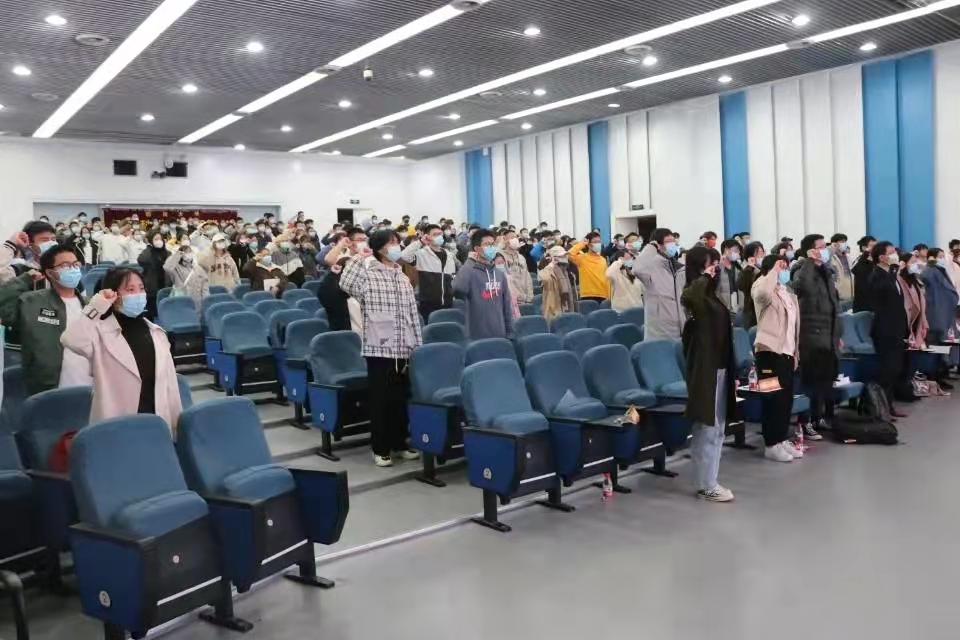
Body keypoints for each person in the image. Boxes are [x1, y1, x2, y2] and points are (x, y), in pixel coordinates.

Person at [60, 268, 182, 432]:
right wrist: (97, 305)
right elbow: (71, 339)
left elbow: (171, 388)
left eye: (141, 288)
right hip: (115, 426)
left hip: (156, 423)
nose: (138, 294)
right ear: (114, 295)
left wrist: (175, 429)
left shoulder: (157, 333)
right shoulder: (100, 331)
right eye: (130, 290)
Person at [339, 230, 421, 467]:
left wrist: (418, 345)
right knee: (380, 401)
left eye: (397, 242)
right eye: (391, 243)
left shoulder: (401, 276)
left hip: (403, 346)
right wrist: (360, 256)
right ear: (379, 247)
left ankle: (399, 443)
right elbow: (345, 282)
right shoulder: (367, 274)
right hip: (379, 348)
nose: (396, 246)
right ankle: (381, 448)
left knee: (400, 400)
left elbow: (412, 314)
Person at [680, 246, 736, 503]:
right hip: (706, 368)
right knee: (707, 427)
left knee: (718, 427)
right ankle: (706, 484)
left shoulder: (710, 294)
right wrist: (704, 277)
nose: (714, 269)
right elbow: (690, 296)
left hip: (721, 366)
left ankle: (709, 479)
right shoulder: (694, 293)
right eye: (708, 264)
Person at [0, 244, 91, 395]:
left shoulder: (91, 304)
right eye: (65, 265)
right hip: (48, 389)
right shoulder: (32, 302)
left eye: (76, 264)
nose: (73, 269)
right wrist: (24, 280)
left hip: (91, 388)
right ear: (50, 272)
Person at [752, 254, 802, 463]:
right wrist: (772, 271)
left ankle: (781, 439)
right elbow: (763, 294)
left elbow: (794, 324)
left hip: (787, 353)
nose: (784, 269)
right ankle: (771, 443)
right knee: (772, 398)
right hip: (768, 353)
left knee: (786, 400)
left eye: (785, 266)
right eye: (780, 266)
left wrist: (796, 351)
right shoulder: (760, 286)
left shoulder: (787, 292)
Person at [791, 234, 840, 440]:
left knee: (824, 380)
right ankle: (805, 422)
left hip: (828, 334)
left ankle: (818, 417)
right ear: (810, 251)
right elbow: (806, 288)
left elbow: (833, 303)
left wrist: (837, 333)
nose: (824, 250)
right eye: (820, 247)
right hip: (811, 334)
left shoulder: (826, 271)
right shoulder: (802, 270)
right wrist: (811, 262)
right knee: (810, 381)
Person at [867, 241, 909, 417]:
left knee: (895, 368)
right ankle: (883, 408)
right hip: (885, 328)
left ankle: (890, 405)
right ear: (882, 257)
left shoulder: (891, 275)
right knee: (887, 368)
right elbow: (881, 297)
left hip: (897, 327)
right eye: (891, 253)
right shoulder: (876, 275)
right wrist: (893, 272)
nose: (895, 256)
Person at [453, 229, 513, 340]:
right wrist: (469, 261)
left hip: (499, 333)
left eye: (492, 244)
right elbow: (458, 288)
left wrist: (509, 331)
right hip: (476, 335)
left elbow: (507, 305)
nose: (491, 247)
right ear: (477, 248)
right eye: (487, 244)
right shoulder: (469, 271)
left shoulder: (499, 274)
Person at [632, 228, 685, 340]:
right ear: (658, 245)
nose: (672, 244)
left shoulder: (673, 264)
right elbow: (637, 269)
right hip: (659, 329)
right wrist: (651, 247)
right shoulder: (650, 265)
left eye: (673, 241)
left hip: (676, 326)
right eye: (668, 241)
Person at [399, 224, 457, 321]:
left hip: (448, 302)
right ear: (427, 237)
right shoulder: (422, 254)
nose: (439, 236)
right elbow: (404, 256)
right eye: (435, 234)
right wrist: (420, 242)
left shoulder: (449, 254)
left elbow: (452, 277)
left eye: (440, 234)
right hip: (428, 304)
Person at [922, 248, 958, 389]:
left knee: (942, 347)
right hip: (935, 315)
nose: (943, 259)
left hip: (943, 314)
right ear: (932, 257)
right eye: (940, 256)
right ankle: (934, 378)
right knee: (936, 348)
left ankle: (940, 375)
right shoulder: (929, 272)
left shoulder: (939, 271)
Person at [568, 232, 611, 303]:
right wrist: (582, 244)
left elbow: (606, 279)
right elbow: (569, 254)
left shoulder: (603, 260)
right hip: (587, 295)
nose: (598, 244)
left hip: (603, 295)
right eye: (595, 242)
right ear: (588, 244)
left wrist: (609, 295)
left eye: (599, 242)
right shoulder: (582, 258)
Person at [164, 242, 210, 307]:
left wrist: (206, 300)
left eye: (190, 252)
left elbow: (205, 285)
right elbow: (167, 267)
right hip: (182, 302)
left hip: (198, 302)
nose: (188, 254)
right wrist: (177, 255)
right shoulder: (176, 268)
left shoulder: (198, 268)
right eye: (185, 252)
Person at [137, 230, 171, 320]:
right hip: (152, 287)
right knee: (151, 312)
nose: (159, 241)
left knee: (165, 313)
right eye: (156, 239)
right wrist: (149, 248)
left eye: (160, 239)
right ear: (151, 241)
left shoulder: (167, 253)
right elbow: (141, 260)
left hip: (166, 285)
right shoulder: (148, 252)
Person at [539, 245, 579, 319]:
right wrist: (551, 266)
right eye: (561, 256)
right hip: (554, 306)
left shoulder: (565, 270)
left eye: (564, 255)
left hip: (566, 305)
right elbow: (544, 279)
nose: (564, 257)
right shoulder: (548, 269)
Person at [899, 251, 928, 351]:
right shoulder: (900, 279)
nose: (916, 265)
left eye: (916, 262)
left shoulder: (915, 280)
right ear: (904, 264)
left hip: (917, 318)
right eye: (912, 262)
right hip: (906, 319)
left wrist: (924, 322)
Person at [497, 229, 534, 306]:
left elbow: (527, 277)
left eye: (516, 237)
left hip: (524, 297)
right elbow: (502, 279)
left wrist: (530, 296)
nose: (515, 240)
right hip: (510, 299)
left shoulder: (521, 258)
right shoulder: (500, 257)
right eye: (512, 238)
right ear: (505, 239)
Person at [737, 241, 764, 329]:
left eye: (762, 253)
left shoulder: (764, 269)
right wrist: (750, 268)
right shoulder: (746, 271)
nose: (761, 256)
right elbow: (741, 285)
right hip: (751, 310)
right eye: (758, 253)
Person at [716, 239, 743, 314]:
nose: (738, 253)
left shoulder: (738, 267)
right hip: (723, 307)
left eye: (738, 251)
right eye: (735, 250)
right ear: (726, 250)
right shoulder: (717, 268)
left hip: (737, 306)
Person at [852, 235, 877, 312]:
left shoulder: (875, 260)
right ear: (864, 248)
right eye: (872, 246)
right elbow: (855, 270)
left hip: (875, 301)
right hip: (863, 303)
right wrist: (865, 255)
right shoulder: (859, 259)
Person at [493, 253, 521, 318]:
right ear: (493, 263)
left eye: (502, 263)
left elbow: (514, 297)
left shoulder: (509, 278)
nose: (501, 265)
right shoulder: (492, 280)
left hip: (513, 309)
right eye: (498, 263)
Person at [830, 233, 855, 304]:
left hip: (850, 293)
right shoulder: (830, 257)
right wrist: (832, 248)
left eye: (845, 241)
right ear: (834, 243)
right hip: (838, 294)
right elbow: (822, 256)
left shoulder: (848, 257)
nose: (844, 244)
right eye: (842, 242)